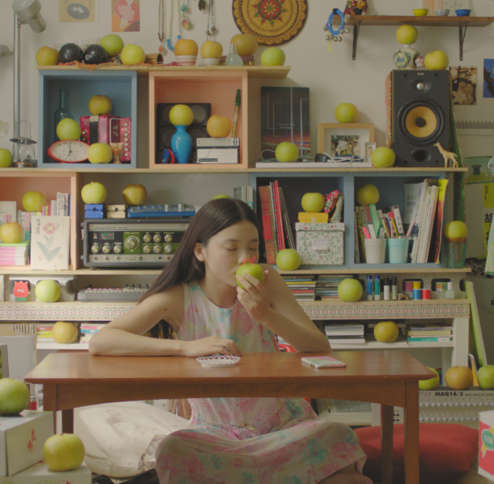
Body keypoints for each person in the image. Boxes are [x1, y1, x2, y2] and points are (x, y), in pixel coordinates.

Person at [90, 198, 372, 484]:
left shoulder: (267, 279)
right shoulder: (179, 298)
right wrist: (186, 347)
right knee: (171, 450)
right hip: (215, 436)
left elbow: (319, 347)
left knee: (338, 433)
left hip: (281, 430)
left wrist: (266, 316)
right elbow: (101, 342)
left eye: (252, 248)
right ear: (200, 251)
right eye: (231, 247)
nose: (244, 259)